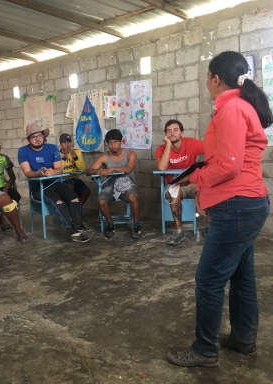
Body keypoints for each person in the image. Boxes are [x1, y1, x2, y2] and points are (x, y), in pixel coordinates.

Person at [167, 51, 272, 367]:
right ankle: (242, 339)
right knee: (242, 276)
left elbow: (227, 165)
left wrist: (195, 179)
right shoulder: (242, 107)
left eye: (206, 79)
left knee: (209, 279)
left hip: (236, 207)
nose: (206, 84)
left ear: (215, 78)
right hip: (247, 204)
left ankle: (204, 350)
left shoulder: (231, 110)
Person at [18, 123, 90, 243]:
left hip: (55, 183)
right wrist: (39, 173)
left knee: (74, 198)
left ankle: (78, 228)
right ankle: (74, 232)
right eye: (33, 136)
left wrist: (53, 171)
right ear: (28, 140)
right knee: (58, 201)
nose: (37, 138)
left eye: (39, 135)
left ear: (43, 136)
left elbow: (59, 169)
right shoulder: (23, 151)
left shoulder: (51, 148)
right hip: (37, 187)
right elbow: (27, 172)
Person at [86, 129, 141, 240]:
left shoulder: (130, 154)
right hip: (111, 187)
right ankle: (110, 225)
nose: (113, 145)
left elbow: (129, 169)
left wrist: (111, 169)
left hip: (127, 185)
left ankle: (136, 225)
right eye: (110, 143)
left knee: (132, 197)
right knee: (101, 200)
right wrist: (98, 171)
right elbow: (88, 171)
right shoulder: (104, 157)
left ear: (121, 141)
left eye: (116, 142)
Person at [156, 120, 205, 245]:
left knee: (210, 191)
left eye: (176, 130)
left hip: (192, 183)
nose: (172, 133)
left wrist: (204, 170)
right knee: (175, 192)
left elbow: (211, 151)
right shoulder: (161, 149)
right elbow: (161, 168)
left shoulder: (192, 143)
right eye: (169, 131)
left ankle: (210, 228)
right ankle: (179, 231)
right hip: (174, 184)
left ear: (182, 133)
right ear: (166, 135)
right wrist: (168, 145)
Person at [59, 133, 91, 206]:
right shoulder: (57, 154)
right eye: (64, 142)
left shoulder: (76, 152)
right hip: (63, 180)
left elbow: (82, 169)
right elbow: (60, 170)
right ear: (60, 144)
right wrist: (64, 157)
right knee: (70, 187)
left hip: (75, 179)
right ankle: (71, 209)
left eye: (68, 142)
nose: (67, 144)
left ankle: (77, 207)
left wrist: (76, 158)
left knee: (86, 191)